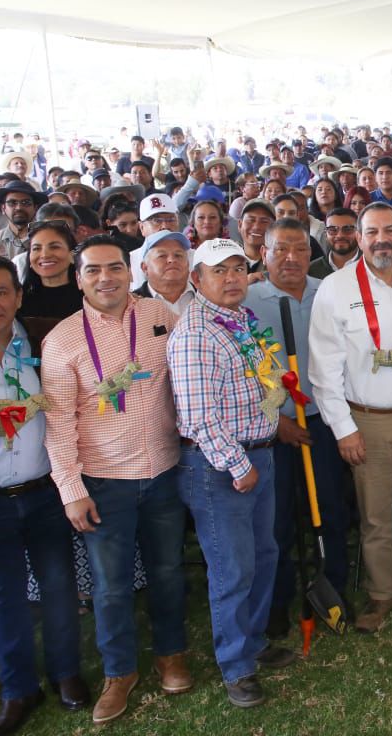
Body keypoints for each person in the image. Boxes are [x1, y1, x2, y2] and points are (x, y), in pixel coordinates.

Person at [41, 236, 190, 723]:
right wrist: (71, 491)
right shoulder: (62, 339)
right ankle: (120, 671)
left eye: (113, 268)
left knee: (169, 571)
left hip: (165, 471)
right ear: (78, 277)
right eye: (92, 271)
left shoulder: (160, 317)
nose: (105, 278)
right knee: (110, 586)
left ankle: (170, 653)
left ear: (130, 272)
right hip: (104, 482)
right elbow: (59, 423)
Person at [0, 256, 86, 735]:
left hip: (47, 493)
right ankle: (18, 689)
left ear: (18, 295)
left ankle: (66, 673)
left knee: (58, 588)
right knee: (4, 599)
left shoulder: (47, 337)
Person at [306, 203, 392, 632]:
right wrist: (343, 428)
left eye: (389, 230)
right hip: (367, 420)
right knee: (375, 514)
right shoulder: (334, 287)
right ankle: (383, 591)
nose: (381, 239)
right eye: (372, 232)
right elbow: (323, 368)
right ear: (359, 236)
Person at [169, 238, 294, 707]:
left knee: (264, 555)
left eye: (239, 268)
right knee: (232, 569)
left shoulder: (241, 319)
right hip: (220, 466)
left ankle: (254, 641)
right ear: (196, 279)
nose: (231, 278)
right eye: (219, 271)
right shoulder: (196, 333)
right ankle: (236, 667)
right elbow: (199, 416)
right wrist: (238, 465)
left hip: (256, 452)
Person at [245, 218, 349, 638]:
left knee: (332, 510)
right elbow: (239, 373)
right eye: (280, 249)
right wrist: (277, 421)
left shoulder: (329, 293)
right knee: (277, 523)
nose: (291, 258)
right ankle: (277, 602)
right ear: (263, 253)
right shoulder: (246, 301)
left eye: (300, 249)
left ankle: (335, 591)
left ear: (312, 254)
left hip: (324, 421)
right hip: (273, 429)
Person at [18, 221, 82, 325]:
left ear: (72, 255)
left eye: (54, 247)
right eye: (36, 248)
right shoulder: (18, 299)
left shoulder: (89, 298)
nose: (44, 255)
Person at [0, 182, 43, 260]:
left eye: (26, 202)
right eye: (12, 203)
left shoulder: (47, 237)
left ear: (35, 208)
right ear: (3, 208)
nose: (19, 207)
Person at [309, 207, 359, 278]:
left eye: (347, 229)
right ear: (326, 234)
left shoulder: (371, 267)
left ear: (359, 233)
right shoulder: (311, 270)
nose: (340, 235)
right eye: (333, 230)